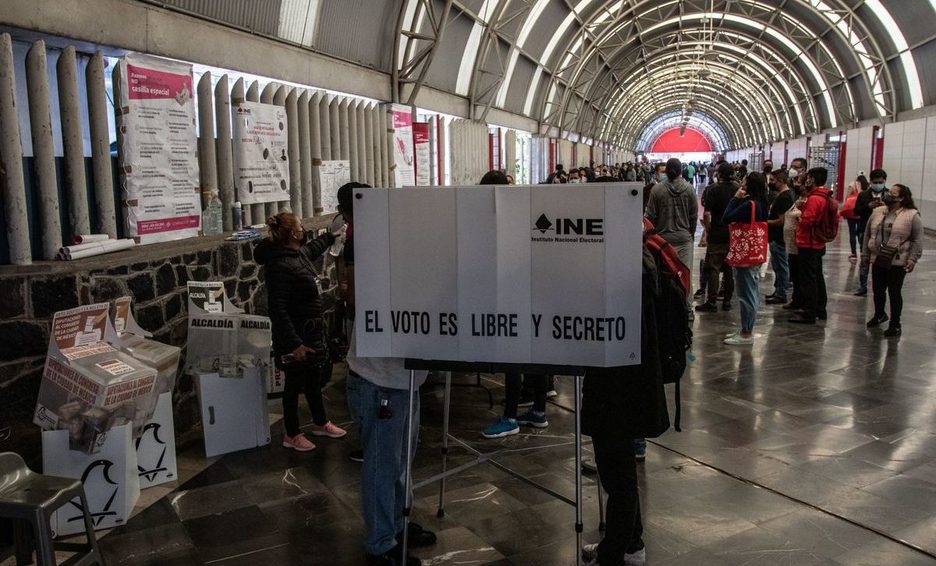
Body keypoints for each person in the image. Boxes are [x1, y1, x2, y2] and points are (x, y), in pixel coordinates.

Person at [338, 183, 438, 566]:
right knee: (383, 465)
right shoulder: (366, 246)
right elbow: (359, 299)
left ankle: (399, 524)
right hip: (378, 376)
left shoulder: (398, 247)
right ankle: (381, 541)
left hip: (405, 375)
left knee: (401, 461)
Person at [581, 229, 671, 566]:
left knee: (616, 472)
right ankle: (632, 543)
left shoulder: (624, 266)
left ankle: (614, 553)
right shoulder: (638, 255)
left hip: (619, 385)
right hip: (629, 382)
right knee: (618, 468)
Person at [255, 212, 347, 451]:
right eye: (300, 226)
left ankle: (320, 422)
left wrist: (330, 236)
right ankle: (292, 434)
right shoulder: (279, 264)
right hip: (295, 336)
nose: (304, 229)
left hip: (310, 332)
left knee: (314, 379)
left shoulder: (296, 254)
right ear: (294, 233)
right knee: (293, 385)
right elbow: (278, 308)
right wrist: (294, 344)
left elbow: (313, 249)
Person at [862, 184, 922, 337]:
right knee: (878, 289)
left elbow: (917, 240)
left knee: (894, 292)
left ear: (901, 198)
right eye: (889, 192)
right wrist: (865, 255)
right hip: (878, 257)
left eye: (893, 193)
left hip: (897, 259)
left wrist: (912, 259)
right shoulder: (877, 212)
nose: (888, 194)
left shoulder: (912, 215)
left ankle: (895, 324)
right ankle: (879, 314)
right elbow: (868, 234)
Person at [645, 158, 699, 314]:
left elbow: (650, 216)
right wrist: (690, 234)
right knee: (685, 273)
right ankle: (687, 309)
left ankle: (664, 308)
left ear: (666, 171)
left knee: (664, 274)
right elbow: (693, 216)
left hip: (662, 241)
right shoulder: (689, 189)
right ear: (681, 171)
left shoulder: (657, 190)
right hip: (684, 239)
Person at [723, 173, 769, 345]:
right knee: (751, 291)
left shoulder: (748, 205)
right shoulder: (761, 203)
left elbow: (726, 218)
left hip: (745, 254)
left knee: (746, 293)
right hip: (755, 252)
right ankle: (745, 328)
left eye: (744, 182)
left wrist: (735, 199)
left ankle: (746, 333)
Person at [789, 167, 833, 324]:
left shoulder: (815, 199)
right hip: (816, 243)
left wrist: (799, 215)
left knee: (809, 279)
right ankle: (820, 308)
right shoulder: (823, 196)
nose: (806, 180)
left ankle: (809, 311)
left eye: (808, 177)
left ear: (812, 179)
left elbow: (807, 221)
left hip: (809, 243)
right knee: (817, 277)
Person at [696, 163, 736, 313]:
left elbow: (707, 213)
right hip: (732, 233)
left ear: (719, 174)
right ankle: (727, 300)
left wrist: (708, 229)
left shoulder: (713, 189)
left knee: (713, 266)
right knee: (728, 268)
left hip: (717, 233)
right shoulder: (737, 188)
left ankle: (711, 301)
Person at [853, 169, 888, 296]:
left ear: (884, 181)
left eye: (880, 182)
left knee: (882, 259)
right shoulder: (863, 195)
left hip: (883, 232)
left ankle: (881, 286)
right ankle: (862, 285)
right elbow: (856, 211)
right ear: (871, 182)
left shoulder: (889, 195)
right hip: (865, 230)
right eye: (875, 182)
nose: (878, 184)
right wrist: (868, 206)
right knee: (865, 257)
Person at [765, 169, 794, 305]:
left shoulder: (784, 198)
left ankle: (781, 293)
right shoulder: (785, 195)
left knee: (781, 266)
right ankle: (778, 290)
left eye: (773, 180)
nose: (771, 183)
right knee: (778, 266)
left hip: (778, 237)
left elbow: (782, 220)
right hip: (777, 237)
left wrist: (766, 222)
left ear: (781, 181)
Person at [840, 174, 867, 263]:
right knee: (861, 232)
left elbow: (847, 198)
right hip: (861, 212)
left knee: (852, 233)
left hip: (851, 212)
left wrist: (844, 210)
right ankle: (863, 252)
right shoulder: (866, 185)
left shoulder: (853, 184)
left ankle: (853, 254)